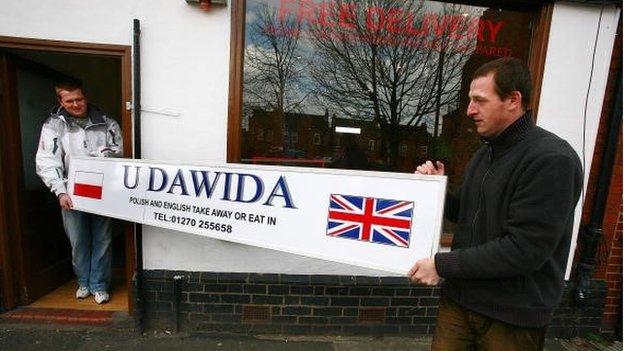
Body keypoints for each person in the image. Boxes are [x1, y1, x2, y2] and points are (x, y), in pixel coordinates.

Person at [408, 57, 582, 350]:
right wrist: (437, 189)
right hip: (460, 302)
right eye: (469, 100)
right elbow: (462, 212)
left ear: (513, 100)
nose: (469, 110)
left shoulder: (552, 160)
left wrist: (441, 264)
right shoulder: (485, 153)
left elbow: (524, 250)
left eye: (479, 100)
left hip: (511, 316)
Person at [36, 80, 122, 304]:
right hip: (72, 194)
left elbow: (120, 152)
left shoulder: (106, 122)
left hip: (103, 193)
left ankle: (99, 285)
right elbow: (47, 161)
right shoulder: (53, 126)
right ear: (61, 101)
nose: (76, 104)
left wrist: (104, 154)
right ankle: (84, 282)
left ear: (86, 97)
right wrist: (60, 191)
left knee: (102, 239)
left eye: (79, 99)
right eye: (70, 100)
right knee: (78, 241)